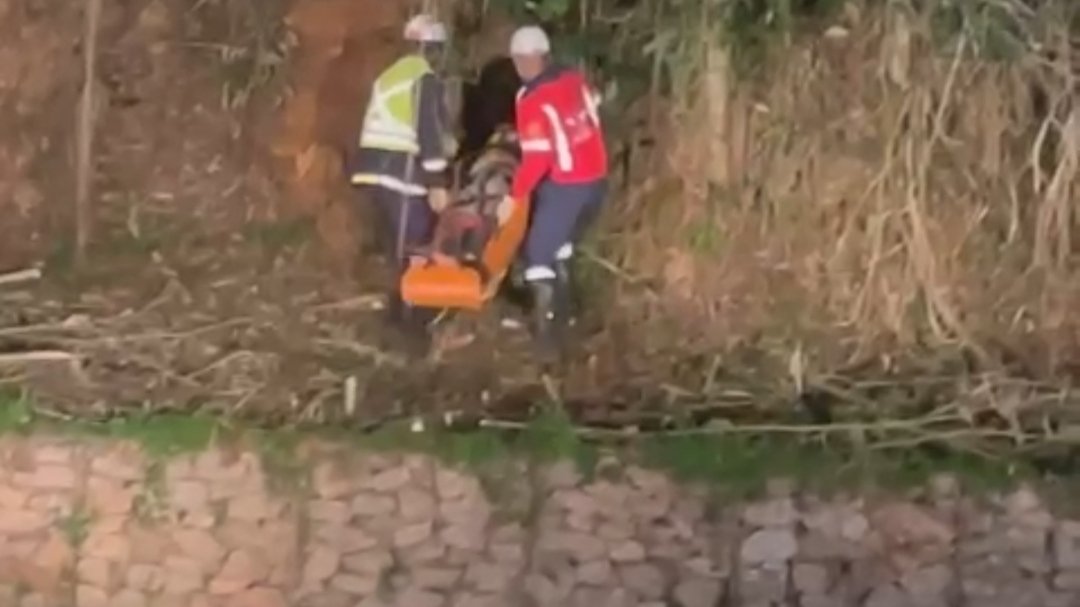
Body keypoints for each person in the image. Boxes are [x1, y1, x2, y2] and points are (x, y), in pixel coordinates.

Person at [497, 25, 608, 360]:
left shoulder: (530, 98)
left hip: (567, 184)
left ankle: (547, 342)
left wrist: (513, 196)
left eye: (518, 60)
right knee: (561, 246)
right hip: (597, 182)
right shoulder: (574, 79)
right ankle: (567, 313)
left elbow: (538, 159)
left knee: (538, 254)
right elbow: (589, 112)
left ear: (524, 60)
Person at [350, 14, 456, 352]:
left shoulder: (392, 75)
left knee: (399, 245)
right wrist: (438, 183)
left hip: (373, 169)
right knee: (417, 244)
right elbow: (428, 133)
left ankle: (399, 312)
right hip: (400, 172)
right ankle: (411, 327)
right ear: (431, 49)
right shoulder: (423, 79)